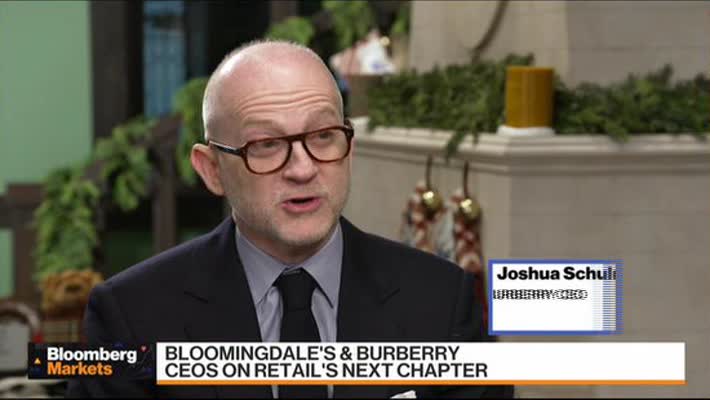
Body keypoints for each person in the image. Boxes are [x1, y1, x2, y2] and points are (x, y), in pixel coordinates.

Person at [67, 40, 513, 399]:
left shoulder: (443, 300)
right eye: (266, 144)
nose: (303, 169)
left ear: (349, 150)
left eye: (323, 136)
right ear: (212, 169)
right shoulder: (131, 315)